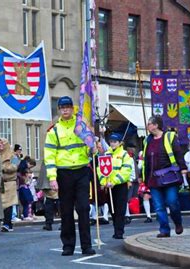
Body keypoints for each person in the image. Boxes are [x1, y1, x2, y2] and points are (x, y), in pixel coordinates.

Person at [44, 96, 95, 256]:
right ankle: (68, 245)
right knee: (66, 211)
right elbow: (49, 155)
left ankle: (86, 245)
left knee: (84, 208)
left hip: (81, 171)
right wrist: (52, 178)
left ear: (72, 108)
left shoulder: (81, 126)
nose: (65, 110)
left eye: (68, 107)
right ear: (59, 110)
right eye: (62, 107)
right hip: (64, 173)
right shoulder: (54, 131)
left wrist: (92, 148)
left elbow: (88, 147)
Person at [142, 115, 187, 238]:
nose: (148, 126)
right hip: (153, 178)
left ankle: (178, 222)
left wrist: (183, 168)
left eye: (149, 124)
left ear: (156, 125)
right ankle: (164, 230)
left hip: (169, 177)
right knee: (158, 206)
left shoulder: (170, 136)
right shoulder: (147, 140)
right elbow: (146, 161)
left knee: (172, 203)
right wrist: (144, 178)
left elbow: (178, 153)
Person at [97, 133, 133, 239]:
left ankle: (119, 231)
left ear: (120, 143)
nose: (112, 144)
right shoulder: (106, 154)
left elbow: (126, 171)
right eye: (111, 141)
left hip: (120, 185)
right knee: (112, 210)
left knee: (120, 209)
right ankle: (116, 229)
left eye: (115, 142)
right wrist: (104, 182)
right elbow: (100, 169)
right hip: (108, 186)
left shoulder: (124, 154)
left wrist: (115, 181)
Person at [0, 138, 18, 232]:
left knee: (8, 204)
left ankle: (7, 223)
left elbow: (14, 167)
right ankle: (7, 223)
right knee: (1, 203)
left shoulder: (13, 156)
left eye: (2, 143)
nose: (0, 145)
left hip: (9, 182)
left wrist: (3, 167)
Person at [37, 161, 59, 231]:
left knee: (49, 202)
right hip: (55, 181)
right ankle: (64, 223)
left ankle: (48, 223)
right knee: (58, 202)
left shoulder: (47, 156)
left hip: (47, 183)